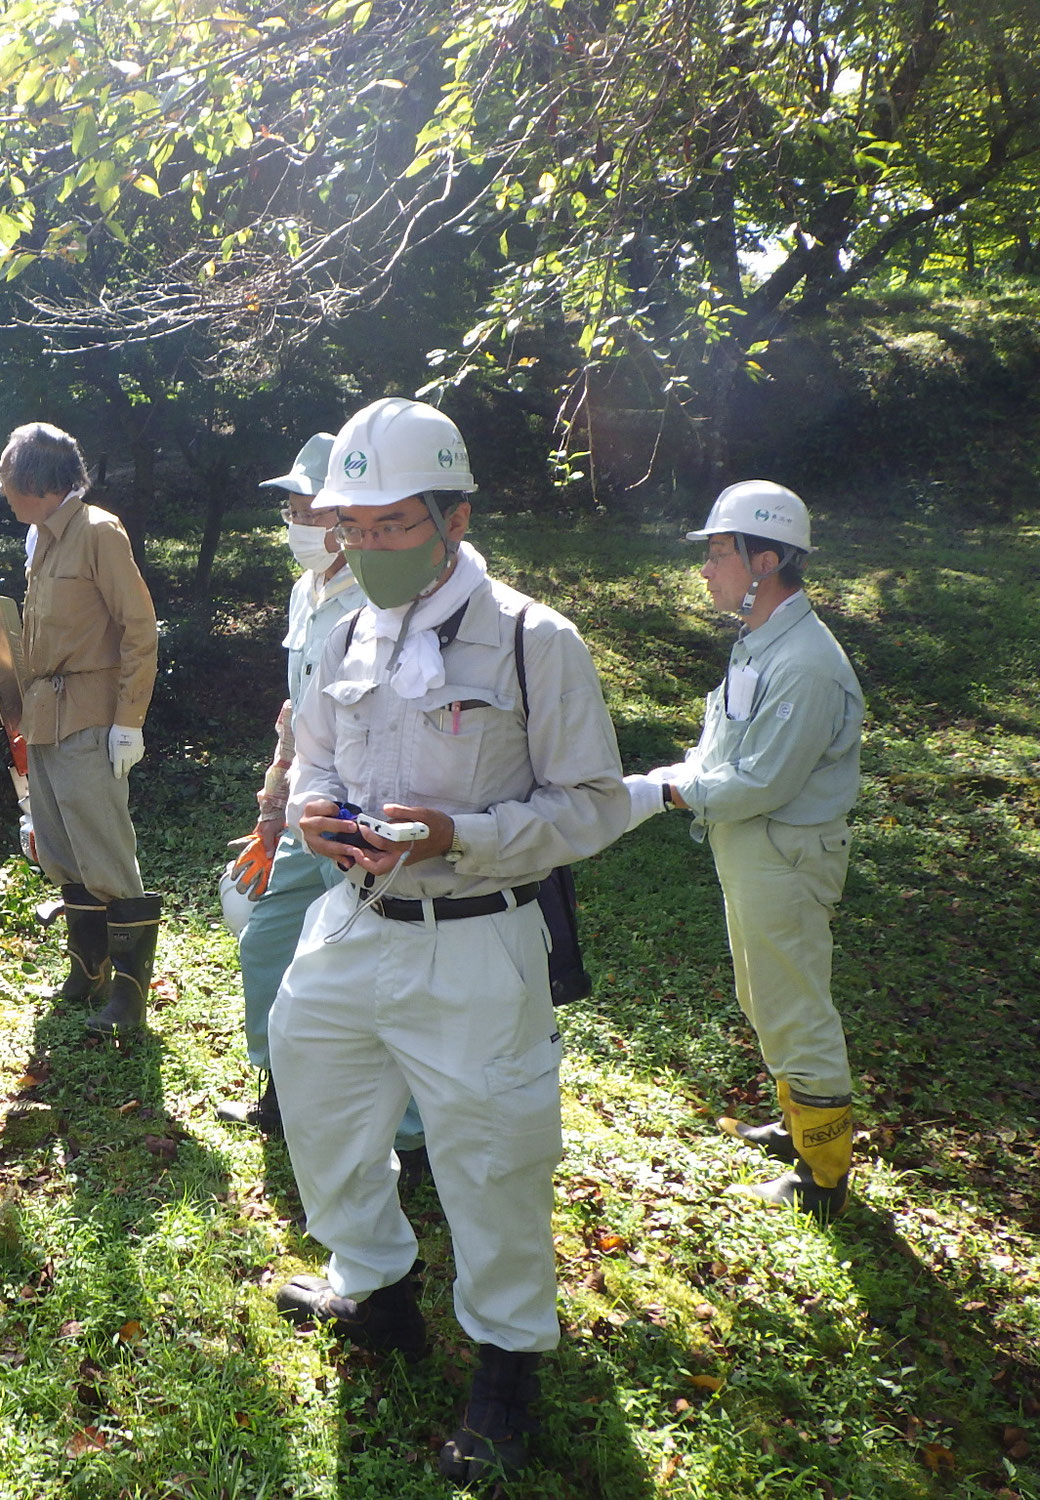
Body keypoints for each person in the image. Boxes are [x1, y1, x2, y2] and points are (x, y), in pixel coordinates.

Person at [266, 398, 629, 1485]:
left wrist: (455, 836)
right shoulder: (340, 628)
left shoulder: (531, 637)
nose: (366, 546)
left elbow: (593, 805)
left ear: (451, 516)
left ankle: (507, 1362)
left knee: (491, 1157)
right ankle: (373, 1291)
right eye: (353, 527)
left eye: (389, 524)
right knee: (315, 1102)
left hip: (475, 941)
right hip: (350, 923)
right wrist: (313, 813)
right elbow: (319, 761)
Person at [624, 481, 863, 1221]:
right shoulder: (763, 640)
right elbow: (726, 744)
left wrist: (665, 792)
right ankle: (799, 1126)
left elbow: (762, 779)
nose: (706, 568)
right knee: (764, 997)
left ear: (764, 561)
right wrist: (680, 777)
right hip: (754, 851)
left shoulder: (806, 663)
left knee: (796, 1008)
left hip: (785, 855)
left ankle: (823, 1176)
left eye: (719, 552)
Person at [215, 434, 427, 1171]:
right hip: (308, 807)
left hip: (361, 814)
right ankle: (285, 1090)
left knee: (376, 972)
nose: (298, 520)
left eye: (311, 507)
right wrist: (272, 816)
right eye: (292, 508)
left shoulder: (376, 598)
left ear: (344, 518)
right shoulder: (308, 595)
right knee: (269, 940)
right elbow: (294, 716)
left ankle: (410, 1135)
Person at [3, 422, 161, 1032]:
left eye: (8, 483)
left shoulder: (97, 531)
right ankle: (87, 968)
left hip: (92, 713)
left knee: (105, 852)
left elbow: (139, 629)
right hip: (47, 712)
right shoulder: (41, 538)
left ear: (35, 483)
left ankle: (128, 999)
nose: (5, 495)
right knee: (64, 850)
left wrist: (129, 722)